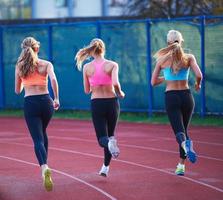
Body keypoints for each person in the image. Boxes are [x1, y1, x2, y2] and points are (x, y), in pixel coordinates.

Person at [151, 30, 202, 176]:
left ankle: (184, 153)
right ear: (181, 42)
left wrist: (166, 77)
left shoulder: (162, 60)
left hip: (171, 97)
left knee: (180, 132)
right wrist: (198, 85)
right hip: (187, 97)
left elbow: (153, 82)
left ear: (168, 43)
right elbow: (199, 75)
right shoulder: (189, 57)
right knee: (184, 131)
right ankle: (181, 165)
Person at [75, 38, 125, 177]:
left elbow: (86, 90)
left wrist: (94, 82)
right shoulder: (112, 65)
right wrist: (120, 93)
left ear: (91, 51)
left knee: (102, 139)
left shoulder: (86, 67)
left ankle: (106, 161)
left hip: (97, 103)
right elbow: (115, 82)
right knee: (110, 136)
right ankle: (105, 168)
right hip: (112, 103)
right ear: (103, 49)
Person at [15, 37, 60, 191]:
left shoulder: (20, 66)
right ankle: (45, 164)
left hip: (30, 103)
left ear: (24, 49)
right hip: (46, 102)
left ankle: (44, 167)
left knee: (37, 139)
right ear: (37, 49)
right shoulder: (46, 64)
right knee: (42, 133)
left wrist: (24, 81)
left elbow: (17, 90)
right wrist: (57, 98)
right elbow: (53, 80)